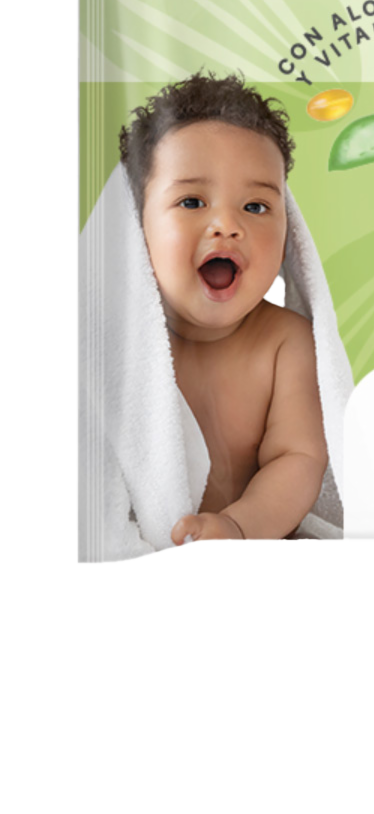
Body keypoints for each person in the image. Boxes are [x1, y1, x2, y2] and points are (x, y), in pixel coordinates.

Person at [119, 72, 327, 543]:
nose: (226, 225)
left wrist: (238, 527)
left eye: (255, 207)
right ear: (136, 224)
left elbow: (298, 458)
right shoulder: (116, 344)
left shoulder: (284, 343)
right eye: (192, 201)